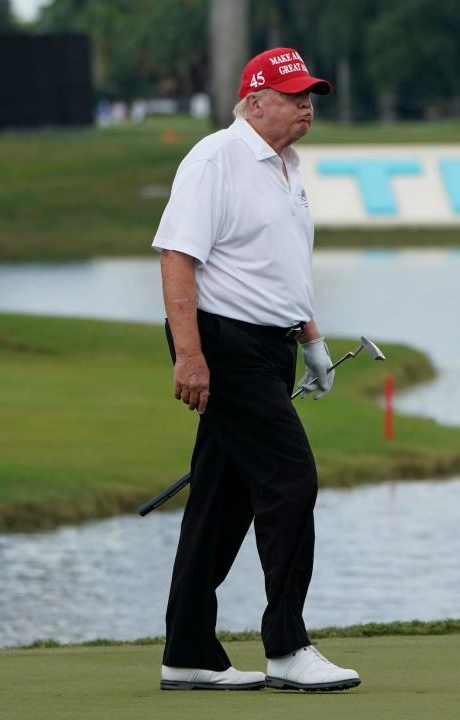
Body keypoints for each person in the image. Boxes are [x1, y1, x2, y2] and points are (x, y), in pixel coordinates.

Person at [151, 47, 360, 692]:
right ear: (254, 101)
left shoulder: (285, 168)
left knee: (221, 500)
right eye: (294, 95)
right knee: (290, 480)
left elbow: (278, 267)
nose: (306, 105)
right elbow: (178, 257)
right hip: (224, 346)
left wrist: (311, 338)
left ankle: (188, 651)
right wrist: (190, 355)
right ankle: (287, 647)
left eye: (311, 95)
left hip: (270, 347)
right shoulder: (217, 157)